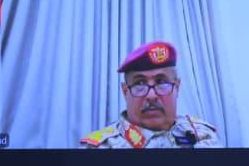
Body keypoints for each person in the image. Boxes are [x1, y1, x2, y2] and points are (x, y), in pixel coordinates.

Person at [80, 41, 220, 148]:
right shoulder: (100, 147)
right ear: (125, 91)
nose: (151, 96)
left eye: (161, 82)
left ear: (177, 87)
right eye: (140, 83)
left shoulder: (203, 136)